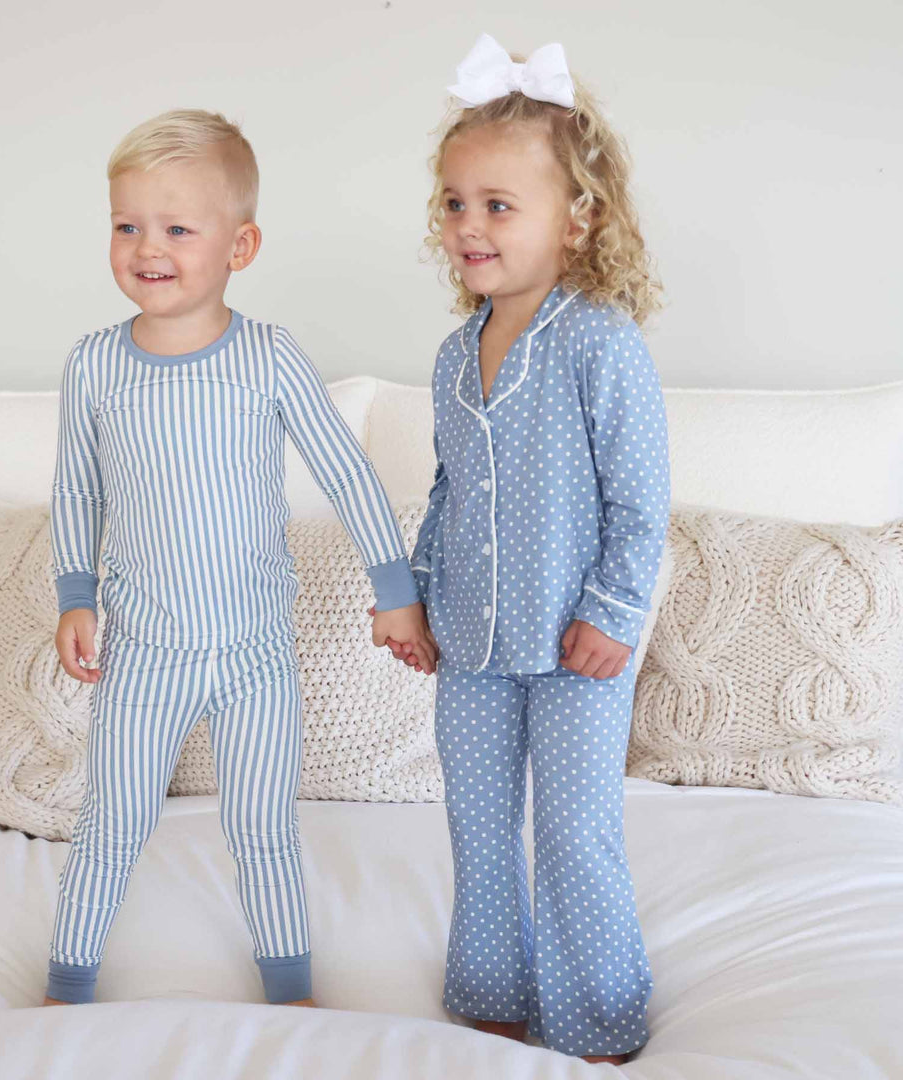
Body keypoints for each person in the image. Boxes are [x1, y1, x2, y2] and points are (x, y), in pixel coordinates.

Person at [43, 108, 436, 1009]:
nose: (149, 247)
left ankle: (291, 992)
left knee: (261, 827)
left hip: (255, 655)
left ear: (240, 244)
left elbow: (346, 472)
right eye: (128, 225)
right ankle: (65, 991)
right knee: (110, 825)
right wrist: (75, 594)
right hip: (143, 653)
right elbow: (76, 490)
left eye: (179, 228)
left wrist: (394, 589)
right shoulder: (95, 366)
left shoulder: (266, 358)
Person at [383, 34, 671, 1064]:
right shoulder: (455, 355)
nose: (469, 225)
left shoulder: (602, 343)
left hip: (579, 647)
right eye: (456, 203)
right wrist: (416, 598)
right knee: (478, 832)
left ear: (576, 217)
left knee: (575, 835)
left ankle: (599, 1020)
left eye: (499, 205)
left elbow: (641, 503)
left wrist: (616, 611)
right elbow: (451, 493)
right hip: (471, 645)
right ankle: (491, 1001)